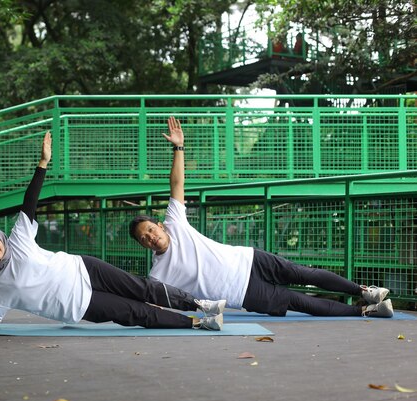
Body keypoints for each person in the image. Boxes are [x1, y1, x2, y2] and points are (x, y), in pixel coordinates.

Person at [128, 116, 394, 318]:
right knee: (298, 302)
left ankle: (363, 292)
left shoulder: (175, 223)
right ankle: (365, 311)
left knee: (305, 273)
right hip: (242, 293)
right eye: (144, 239)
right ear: (143, 246)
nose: (150, 237)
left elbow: (177, 184)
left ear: (160, 225)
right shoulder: (157, 274)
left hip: (249, 260)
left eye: (150, 229)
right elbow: (153, 300)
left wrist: (179, 148)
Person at [0, 131, 226, 333]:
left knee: (142, 288)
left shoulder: (18, 241)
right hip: (78, 304)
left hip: (83, 268)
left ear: (1, 238)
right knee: (135, 312)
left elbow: (30, 202)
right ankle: (198, 323)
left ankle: (200, 305)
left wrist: (43, 163)